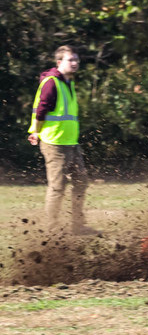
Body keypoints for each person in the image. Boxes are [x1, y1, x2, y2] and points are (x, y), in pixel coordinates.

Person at [27, 45, 100, 235]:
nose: (75, 63)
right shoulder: (52, 82)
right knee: (57, 187)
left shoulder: (68, 82)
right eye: (71, 60)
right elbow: (41, 109)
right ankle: (52, 231)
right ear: (59, 62)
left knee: (81, 182)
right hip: (54, 143)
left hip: (70, 142)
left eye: (77, 60)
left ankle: (77, 225)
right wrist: (35, 131)